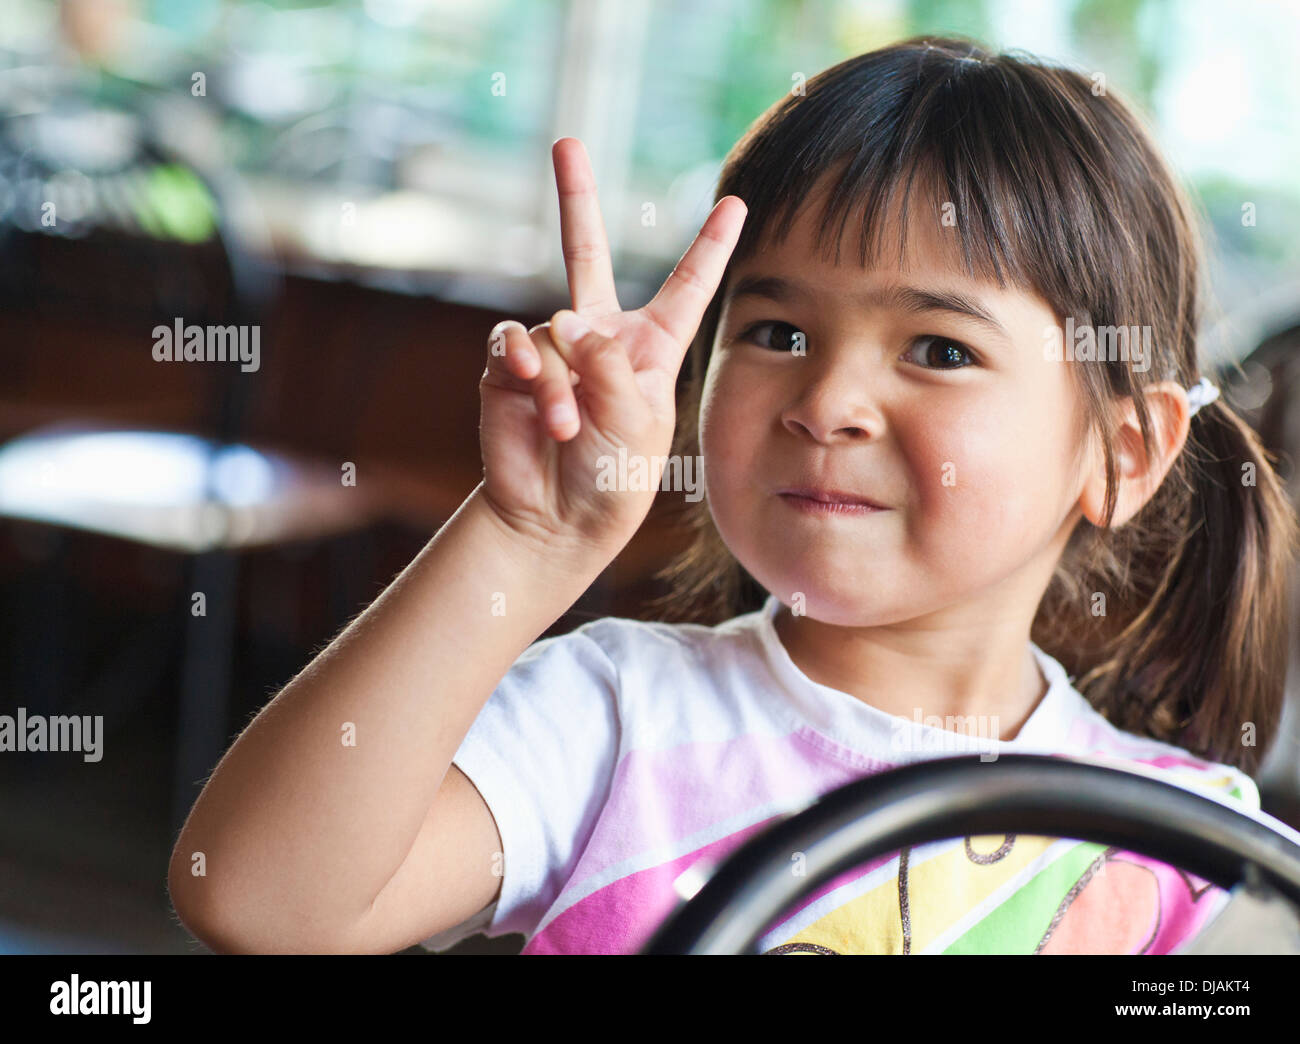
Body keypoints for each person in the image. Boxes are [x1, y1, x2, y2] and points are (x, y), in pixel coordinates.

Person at [167, 36, 1300, 955]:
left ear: (1123, 451)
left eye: (939, 349)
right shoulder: (617, 719)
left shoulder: (1192, 858)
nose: (829, 400)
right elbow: (262, 904)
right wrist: (528, 539)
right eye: (777, 331)